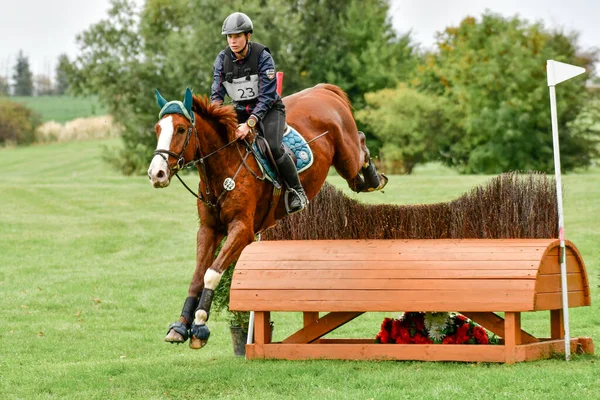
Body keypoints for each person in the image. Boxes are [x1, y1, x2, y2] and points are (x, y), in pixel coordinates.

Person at [210, 12, 308, 214]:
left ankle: (297, 191)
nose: (233, 41)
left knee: (273, 146)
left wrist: (250, 124)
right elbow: (217, 95)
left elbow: (266, 97)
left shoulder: (263, 56)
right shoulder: (222, 59)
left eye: (237, 36)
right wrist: (216, 119)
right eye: (229, 37)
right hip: (240, 110)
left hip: (270, 109)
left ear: (248, 36)